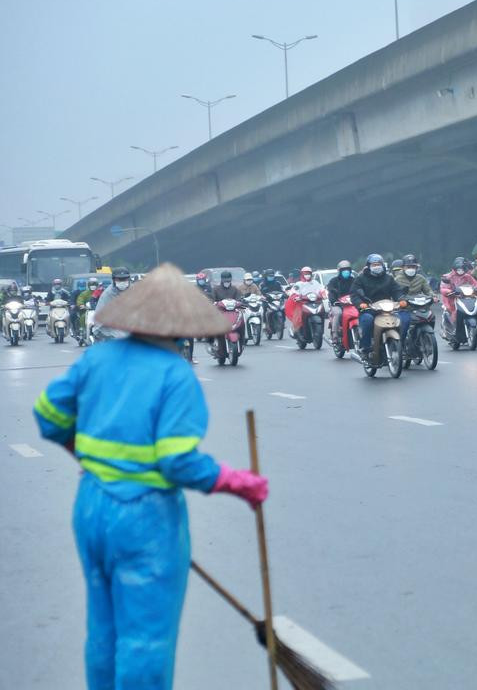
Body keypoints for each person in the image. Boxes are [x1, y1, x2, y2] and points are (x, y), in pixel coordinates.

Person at [32, 263, 268, 690]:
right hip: (146, 520)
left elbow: (47, 416)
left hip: (91, 508)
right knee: (145, 641)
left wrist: (83, 453)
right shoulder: (176, 374)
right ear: (184, 329)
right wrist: (238, 482)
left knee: (104, 632)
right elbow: (177, 461)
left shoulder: (97, 358)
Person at [350, 254, 405, 358]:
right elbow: (354, 294)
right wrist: (360, 303)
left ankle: (403, 345)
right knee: (367, 320)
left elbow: (396, 290)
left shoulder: (388, 278)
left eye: (379, 264)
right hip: (368, 309)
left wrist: (401, 299)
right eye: (374, 264)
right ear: (369, 266)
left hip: (387, 309)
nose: (377, 266)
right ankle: (365, 348)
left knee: (401, 319)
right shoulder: (361, 279)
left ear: (383, 265)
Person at [440, 256, 477, 330]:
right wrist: (451, 291)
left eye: (462, 269)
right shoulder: (448, 277)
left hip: (466, 297)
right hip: (452, 298)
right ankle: (453, 328)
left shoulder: (467, 276)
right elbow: (443, 288)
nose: (460, 271)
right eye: (459, 269)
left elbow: (476, 284)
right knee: (453, 311)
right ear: (455, 268)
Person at [92, 267, 133, 341]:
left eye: (125, 279)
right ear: (114, 280)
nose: (122, 281)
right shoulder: (108, 294)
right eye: (119, 279)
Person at [326, 260, 356, 341]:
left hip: (351, 304)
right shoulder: (334, 281)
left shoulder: (354, 280)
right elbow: (330, 291)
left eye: (347, 270)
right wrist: (334, 301)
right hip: (338, 304)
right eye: (343, 270)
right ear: (339, 271)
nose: (346, 272)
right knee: (338, 313)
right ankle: (335, 334)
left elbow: (358, 290)